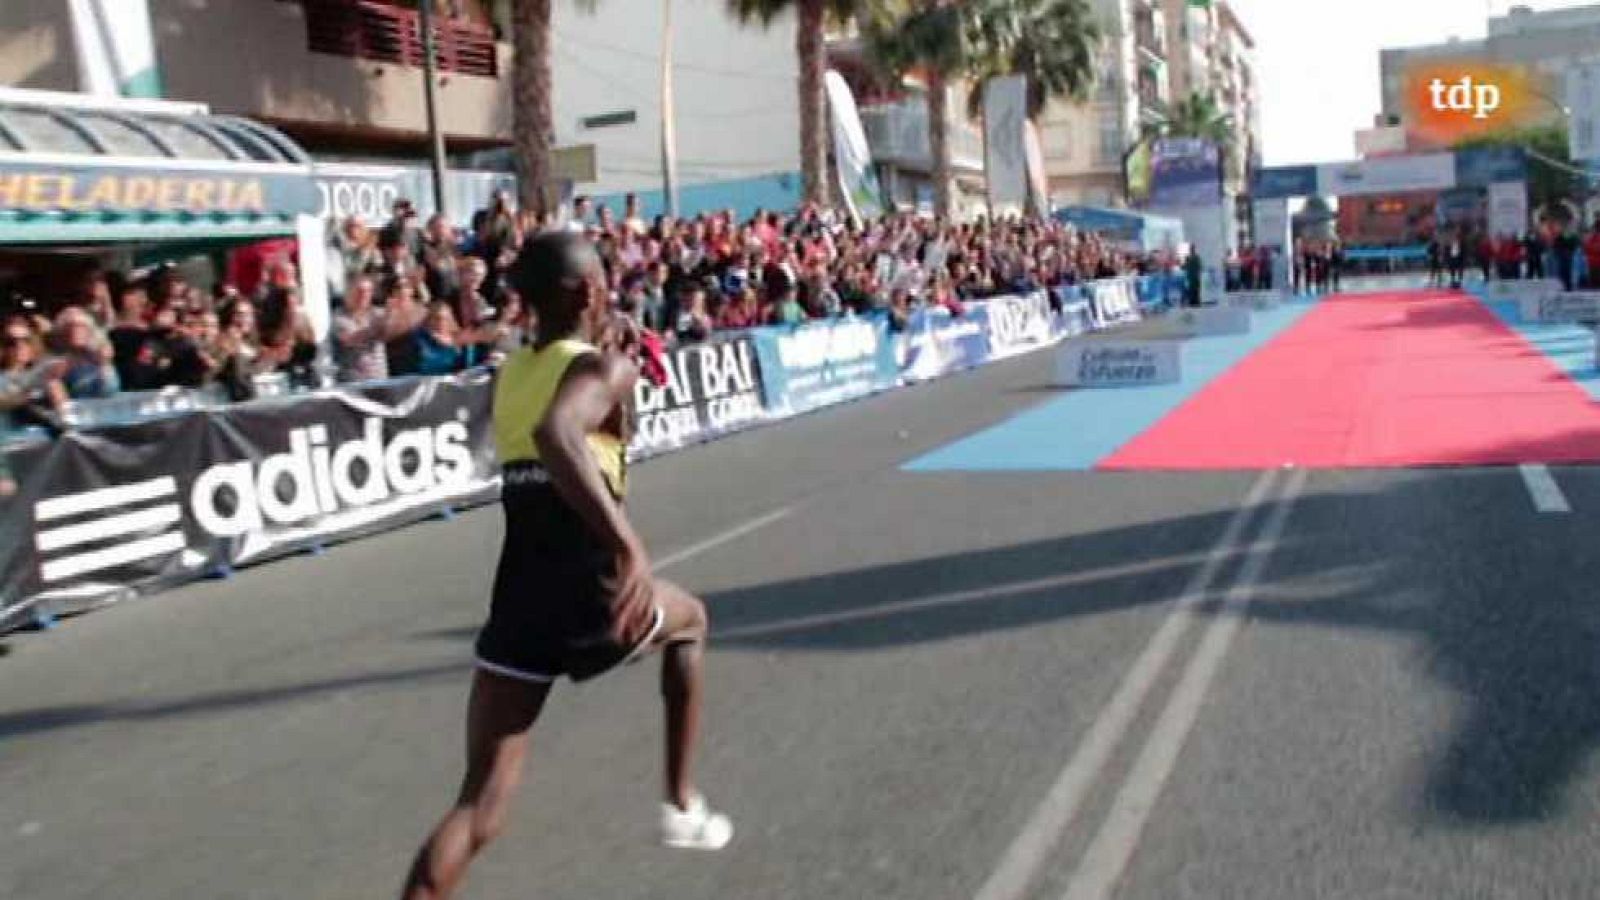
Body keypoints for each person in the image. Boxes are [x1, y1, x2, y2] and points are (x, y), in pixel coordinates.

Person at [398, 232, 731, 900]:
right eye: (605, 278)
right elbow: (559, 437)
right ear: (587, 293)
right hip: (594, 587)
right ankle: (680, 803)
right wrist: (627, 545)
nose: (613, 288)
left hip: (521, 594)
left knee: (480, 806)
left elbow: (562, 439)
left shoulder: (511, 372)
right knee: (692, 621)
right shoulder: (602, 369)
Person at [332, 276, 426, 382]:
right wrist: (384, 320)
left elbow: (389, 334)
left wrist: (402, 306)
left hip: (380, 379)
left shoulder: (376, 313)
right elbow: (352, 339)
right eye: (359, 291)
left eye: (368, 291)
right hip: (354, 383)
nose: (364, 295)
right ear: (348, 293)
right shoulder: (339, 316)